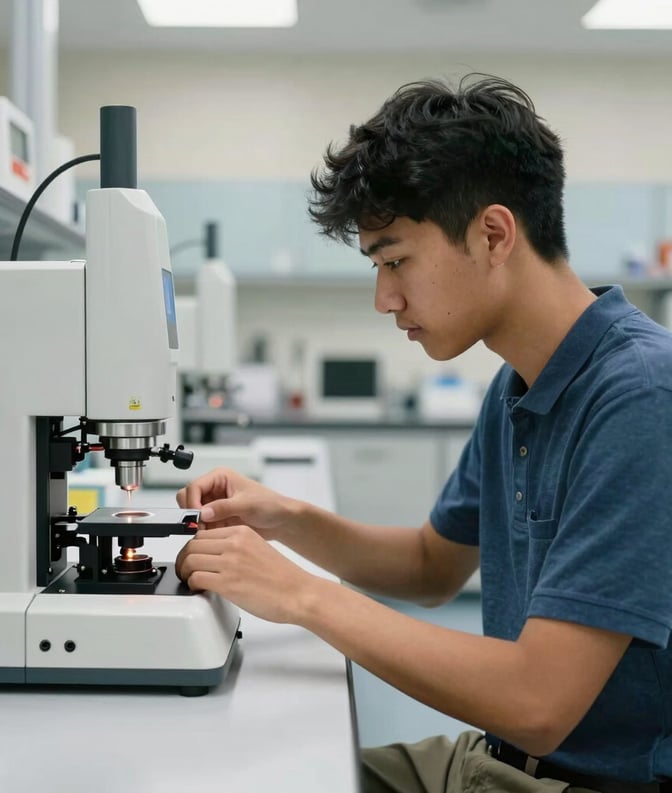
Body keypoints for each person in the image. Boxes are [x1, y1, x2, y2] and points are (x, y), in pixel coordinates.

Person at [175, 74, 672, 793]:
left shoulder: (640, 395)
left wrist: (302, 596)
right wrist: (284, 519)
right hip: (494, 758)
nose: (385, 298)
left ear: (493, 234)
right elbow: (431, 564)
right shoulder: (518, 385)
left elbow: (539, 703)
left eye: (395, 260)